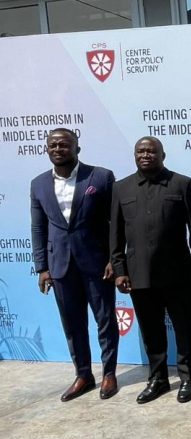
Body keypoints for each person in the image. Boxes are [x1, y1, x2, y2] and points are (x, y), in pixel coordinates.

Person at [30, 128, 119, 401]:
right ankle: (83, 375)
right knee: (72, 324)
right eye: (53, 145)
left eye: (64, 145)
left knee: (105, 320)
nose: (58, 149)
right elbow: (38, 227)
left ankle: (109, 373)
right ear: (47, 149)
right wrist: (42, 267)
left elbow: (116, 221)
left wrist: (114, 258)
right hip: (60, 265)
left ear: (77, 149)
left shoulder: (100, 176)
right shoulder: (38, 184)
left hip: (97, 263)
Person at [110, 136, 191, 404]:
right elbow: (115, 234)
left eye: (151, 151)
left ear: (163, 155)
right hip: (139, 273)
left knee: (184, 328)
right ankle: (158, 378)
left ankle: (188, 378)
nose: (146, 155)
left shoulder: (182, 184)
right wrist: (119, 269)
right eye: (141, 151)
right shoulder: (121, 188)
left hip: (177, 271)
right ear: (134, 155)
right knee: (151, 330)